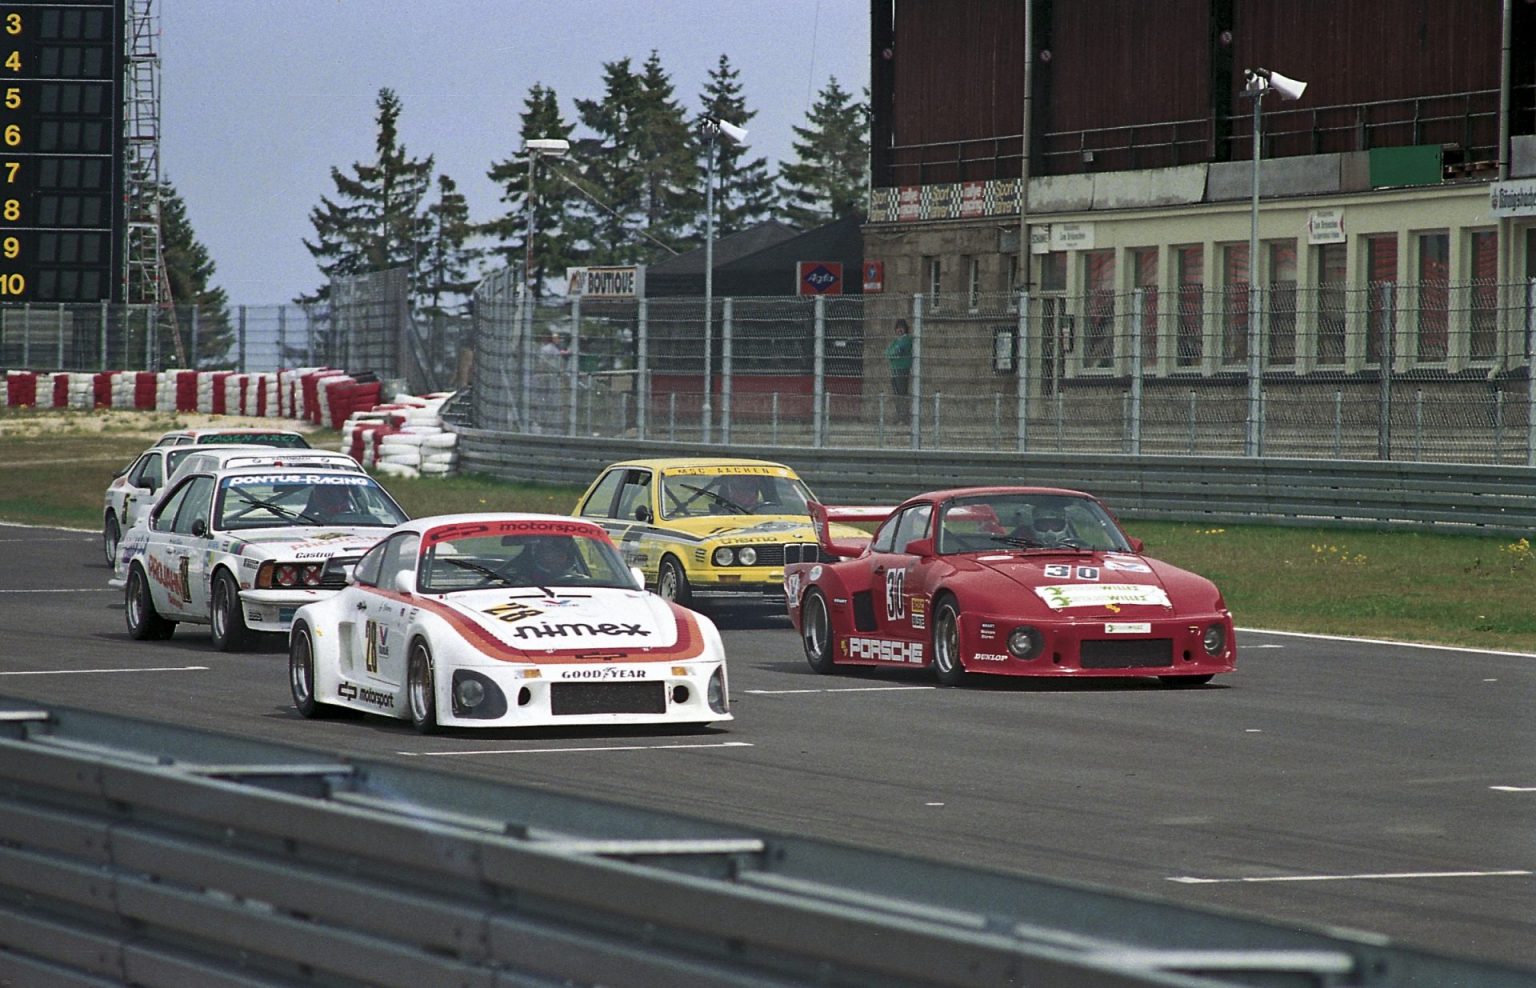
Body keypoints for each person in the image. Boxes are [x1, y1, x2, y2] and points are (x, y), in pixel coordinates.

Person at [885, 318, 913, 397]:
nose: (899, 330)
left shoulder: (907, 339)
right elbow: (887, 352)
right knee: (896, 393)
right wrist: (893, 353)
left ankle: (903, 409)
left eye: (902, 327)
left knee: (901, 392)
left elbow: (899, 350)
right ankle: (899, 409)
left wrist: (893, 353)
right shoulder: (896, 341)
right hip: (894, 369)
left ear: (905, 329)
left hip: (902, 368)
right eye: (898, 328)